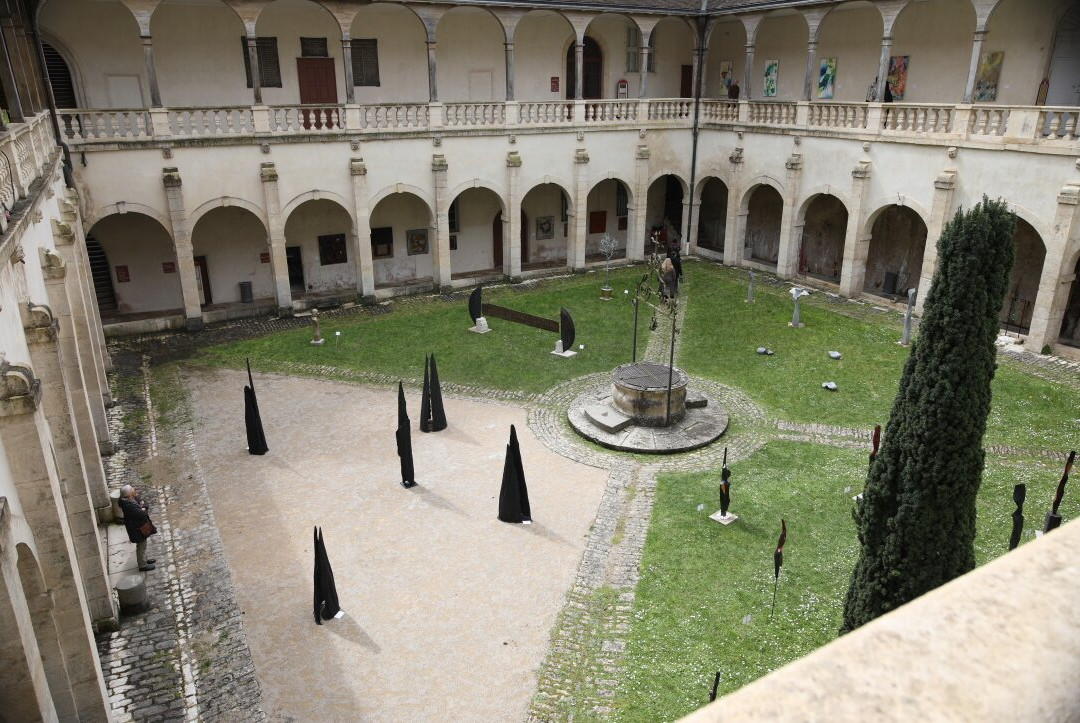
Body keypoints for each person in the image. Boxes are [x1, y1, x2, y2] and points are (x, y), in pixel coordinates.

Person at [119, 485, 157, 571]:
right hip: (137, 529)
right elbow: (142, 513)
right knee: (141, 545)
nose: (134, 490)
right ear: (129, 494)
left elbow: (144, 503)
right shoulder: (128, 506)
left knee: (143, 545)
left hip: (139, 526)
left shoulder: (131, 498)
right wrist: (142, 507)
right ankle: (142, 565)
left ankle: (144, 560)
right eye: (132, 490)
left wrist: (143, 507)